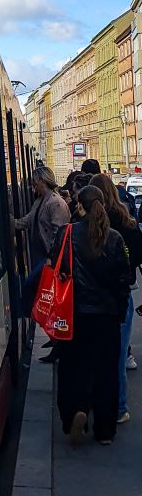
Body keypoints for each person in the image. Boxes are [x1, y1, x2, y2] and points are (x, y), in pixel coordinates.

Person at [50, 185, 132, 445]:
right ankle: (105, 430)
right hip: (106, 318)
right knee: (106, 372)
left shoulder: (67, 234)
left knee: (73, 369)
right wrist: (119, 313)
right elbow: (124, 280)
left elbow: (57, 268)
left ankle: (76, 412)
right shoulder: (115, 238)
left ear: (80, 206)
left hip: (73, 316)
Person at [91, 173, 142, 423]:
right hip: (123, 295)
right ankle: (119, 408)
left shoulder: (89, 224)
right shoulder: (128, 221)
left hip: (95, 296)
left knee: (99, 355)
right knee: (119, 354)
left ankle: (98, 403)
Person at [15, 166, 70, 317]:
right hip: (39, 254)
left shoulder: (56, 203)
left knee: (30, 285)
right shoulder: (40, 200)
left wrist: (52, 257)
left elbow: (60, 233)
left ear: (42, 180)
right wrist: (15, 223)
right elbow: (29, 219)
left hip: (48, 257)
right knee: (40, 290)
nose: (33, 184)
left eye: (35, 181)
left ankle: (30, 315)